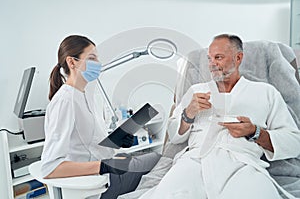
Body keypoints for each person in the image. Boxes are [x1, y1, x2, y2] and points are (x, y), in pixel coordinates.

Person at [138, 34, 300, 199]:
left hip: (243, 164)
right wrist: (188, 114)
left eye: (218, 57)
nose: (212, 64)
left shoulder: (266, 92)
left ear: (238, 58)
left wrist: (255, 132)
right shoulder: (196, 91)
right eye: (209, 59)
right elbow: (174, 137)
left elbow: (294, 141)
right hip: (195, 161)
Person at [40, 35, 160, 199]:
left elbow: (89, 144)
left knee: (154, 159)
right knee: (160, 159)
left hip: (103, 173)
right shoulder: (65, 101)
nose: (98, 63)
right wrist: (104, 166)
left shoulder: (87, 94)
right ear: (72, 62)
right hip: (93, 186)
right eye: (91, 58)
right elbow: (50, 168)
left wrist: (118, 141)